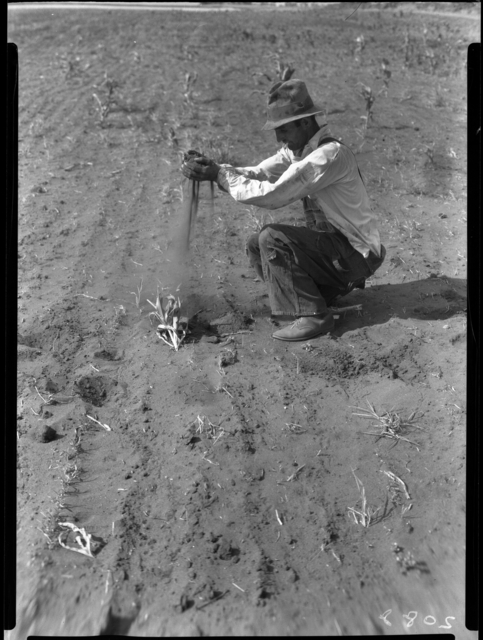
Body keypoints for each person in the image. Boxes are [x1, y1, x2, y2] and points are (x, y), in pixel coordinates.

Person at [181, 79, 385, 342]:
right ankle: (311, 299)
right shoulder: (298, 152)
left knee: (271, 238)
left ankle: (315, 316)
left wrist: (219, 176)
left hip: (356, 255)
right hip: (338, 251)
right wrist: (214, 169)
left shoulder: (326, 157)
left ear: (305, 122)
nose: (279, 138)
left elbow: (273, 195)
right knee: (256, 245)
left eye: (284, 129)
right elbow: (259, 173)